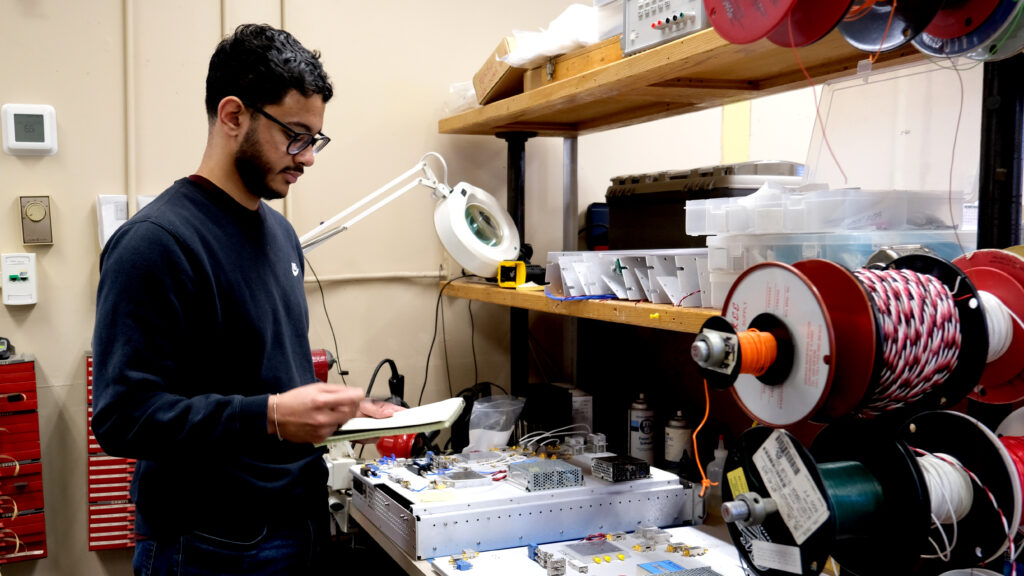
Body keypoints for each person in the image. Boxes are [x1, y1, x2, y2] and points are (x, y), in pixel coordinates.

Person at [91, 23, 398, 575]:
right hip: (208, 544)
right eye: (295, 135)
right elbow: (123, 418)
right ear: (233, 116)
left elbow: (262, 379)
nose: (307, 158)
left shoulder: (278, 235)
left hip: (294, 517)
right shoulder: (155, 243)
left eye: (315, 139)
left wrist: (341, 413)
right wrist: (275, 416)